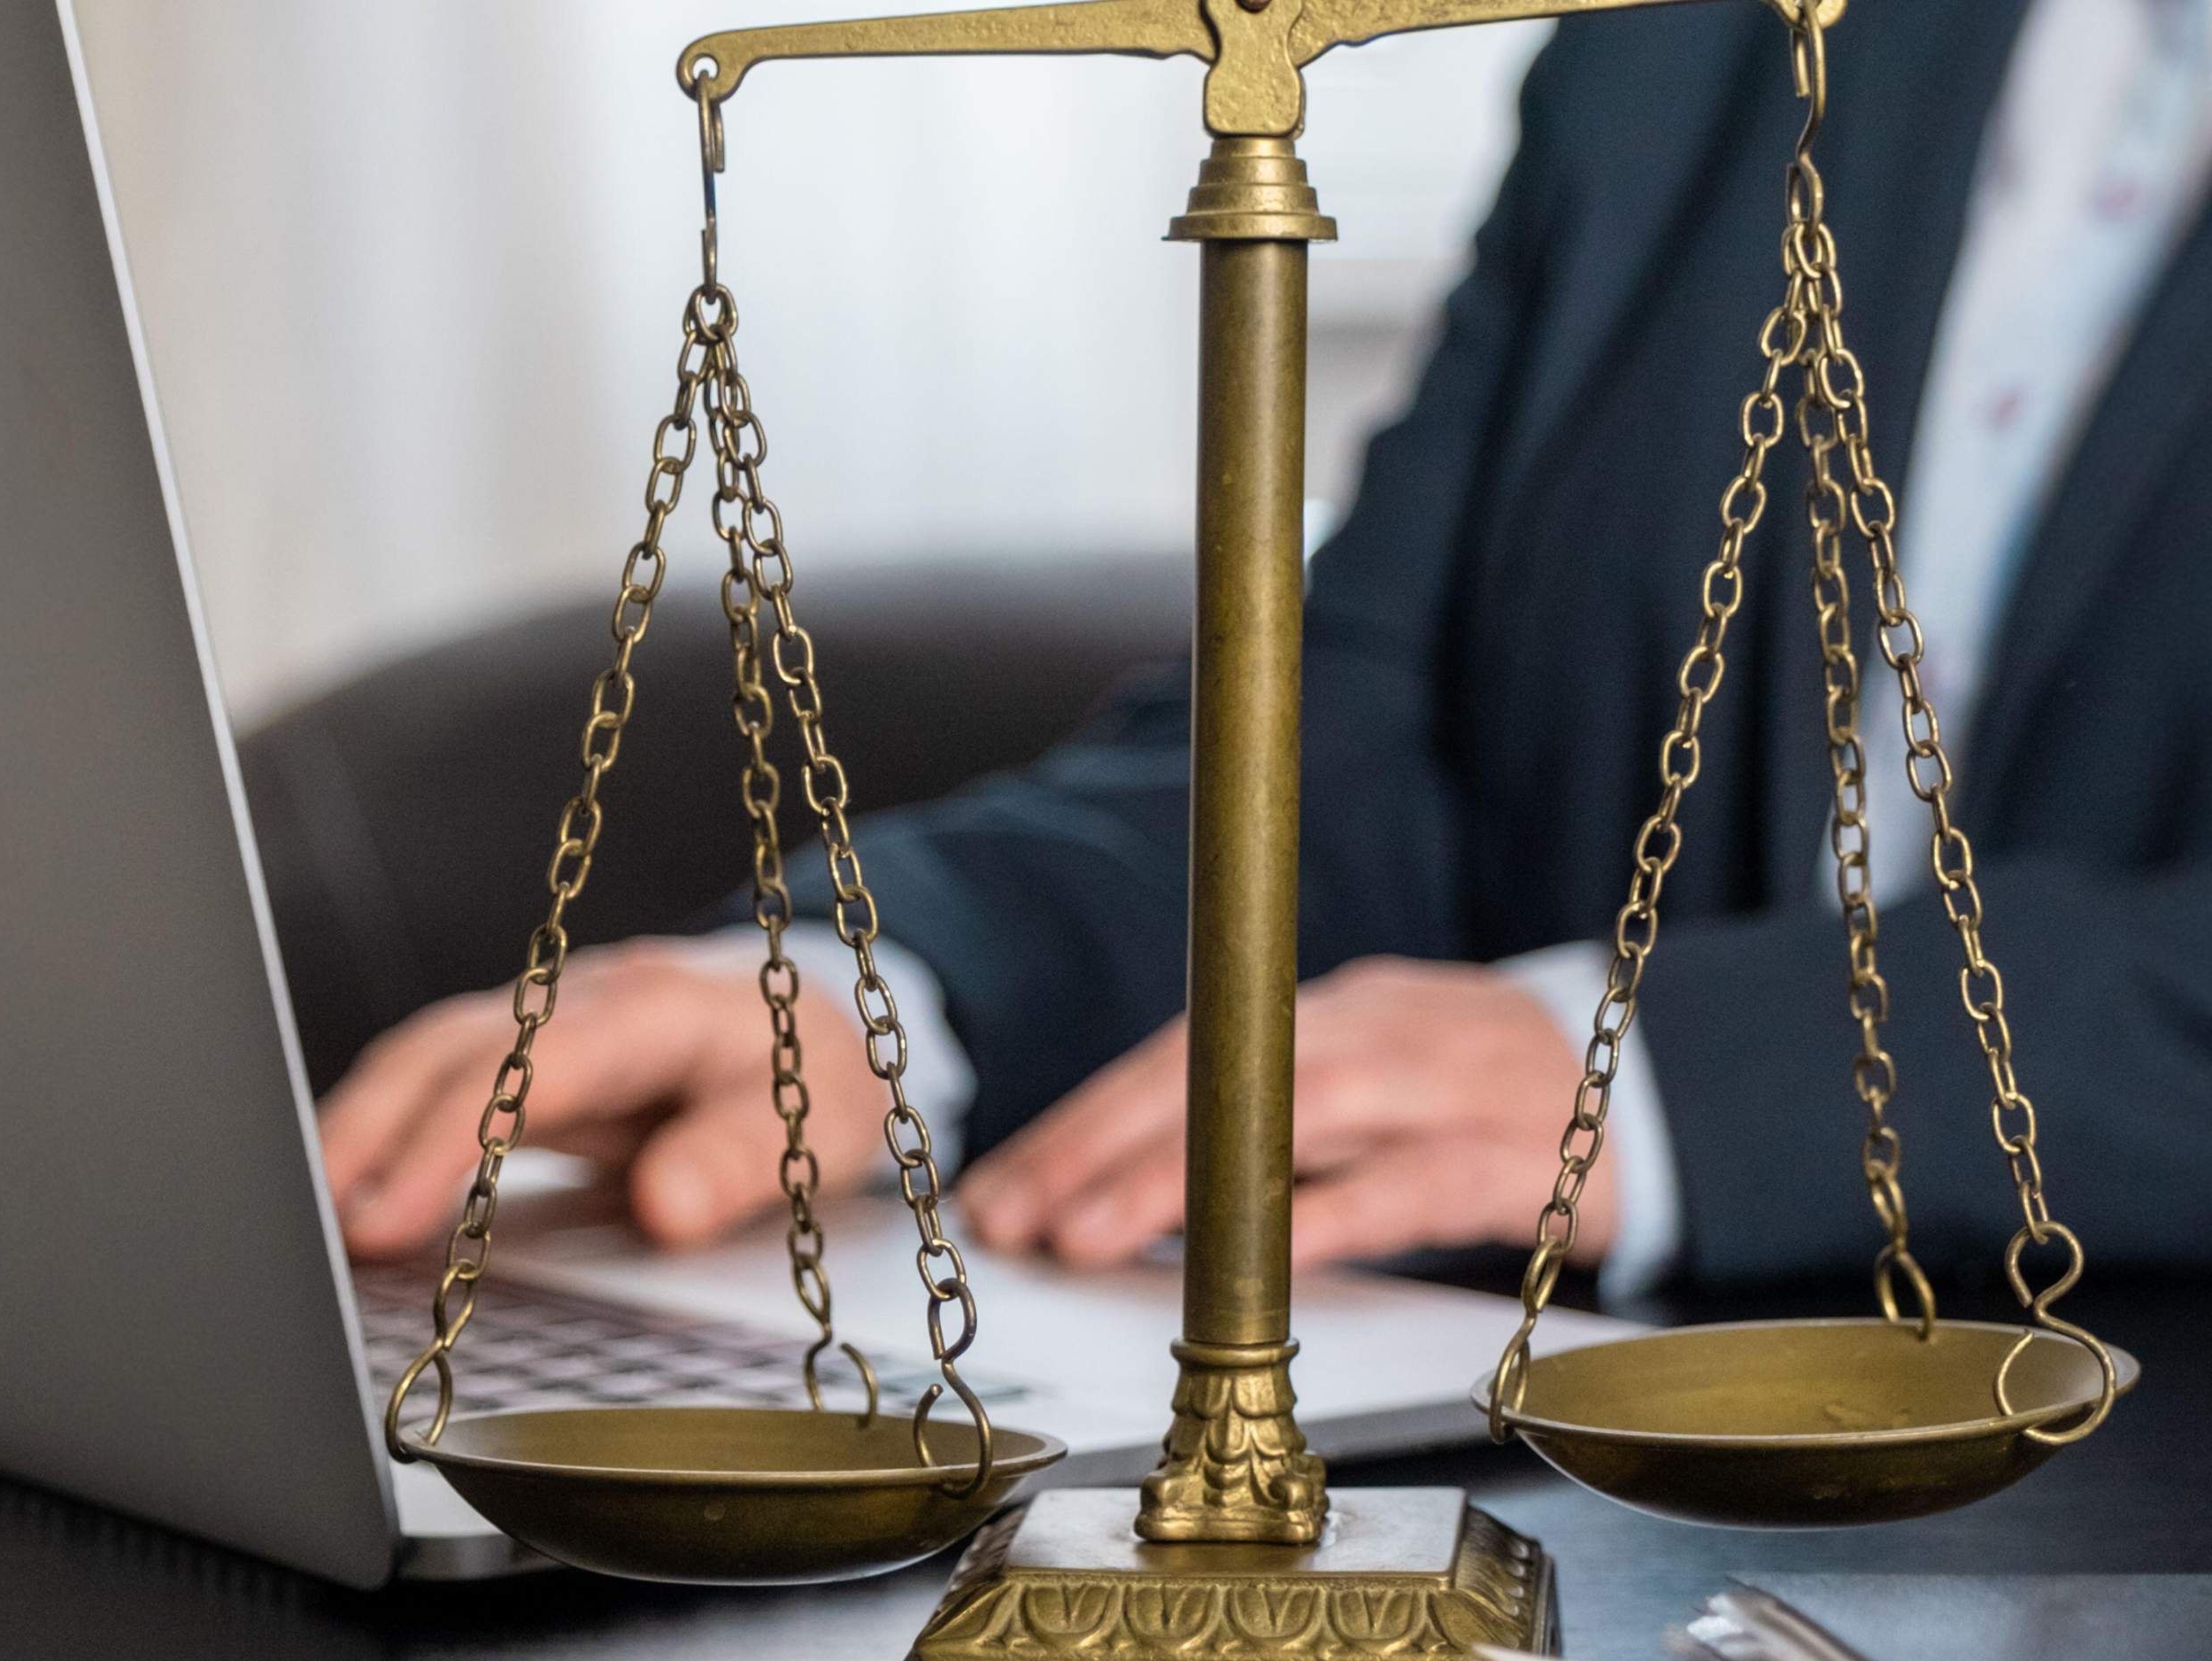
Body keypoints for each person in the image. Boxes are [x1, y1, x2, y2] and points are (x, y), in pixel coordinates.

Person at [324, 0, 2212, 1295]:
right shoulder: (1682, 56)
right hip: (1594, 1491)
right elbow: (1378, 748)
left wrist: (1659, 1082)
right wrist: (884, 993)